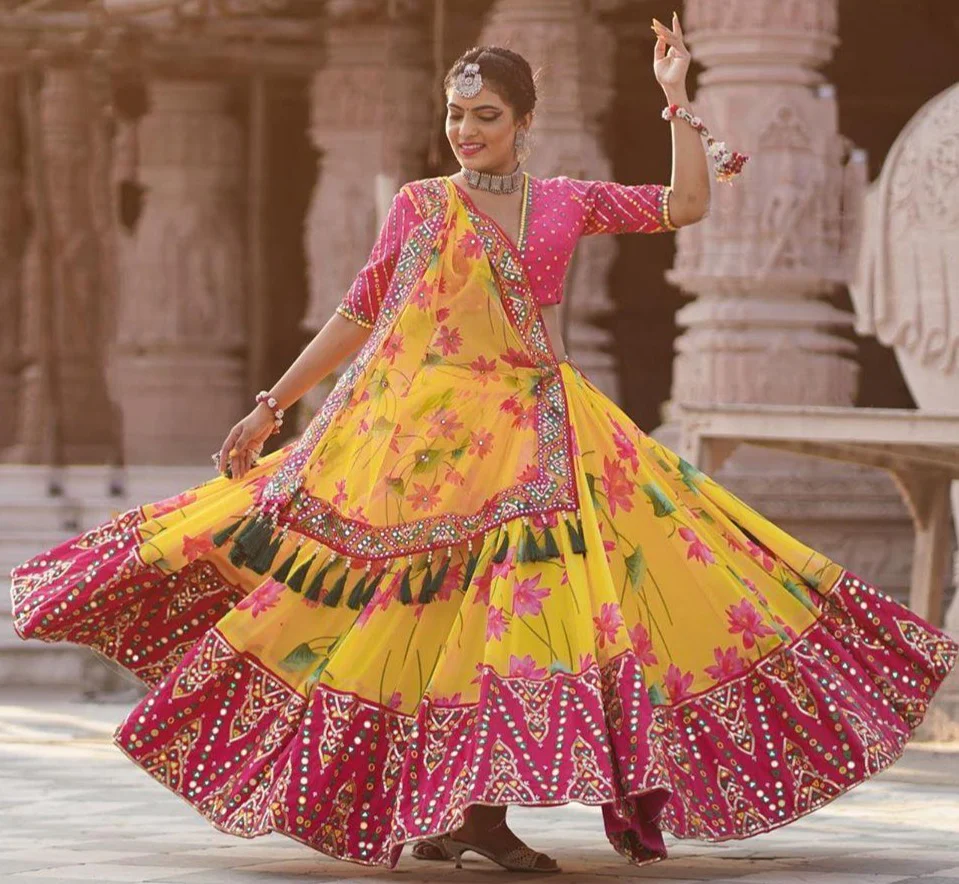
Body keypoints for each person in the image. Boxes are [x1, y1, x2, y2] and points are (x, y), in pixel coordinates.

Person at [10, 14, 956, 876]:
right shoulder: (422, 206)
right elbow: (359, 310)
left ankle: (474, 812)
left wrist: (674, 98)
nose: (466, 131)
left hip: (540, 436)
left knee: (536, 614)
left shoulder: (563, 202)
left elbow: (686, 207)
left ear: (524, 121)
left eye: (487, 115)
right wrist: (272, 405)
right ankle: (463, 811)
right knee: (423, 621)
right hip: (425, 443)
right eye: (457, 113)